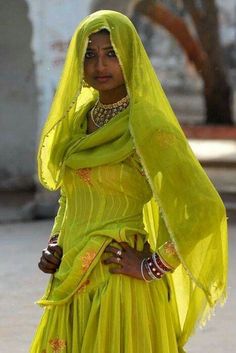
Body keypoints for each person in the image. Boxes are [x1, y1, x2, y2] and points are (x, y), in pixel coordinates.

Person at [30, 10, 228, 353]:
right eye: (90, 55)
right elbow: (72, 193)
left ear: (130, 57)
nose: (100, 65)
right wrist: (56, 243)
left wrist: (153, 266)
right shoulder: (78, 120)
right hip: (70, 280)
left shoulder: (146, 123)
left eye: (112, 54)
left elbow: (204, 209)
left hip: (119, 280)